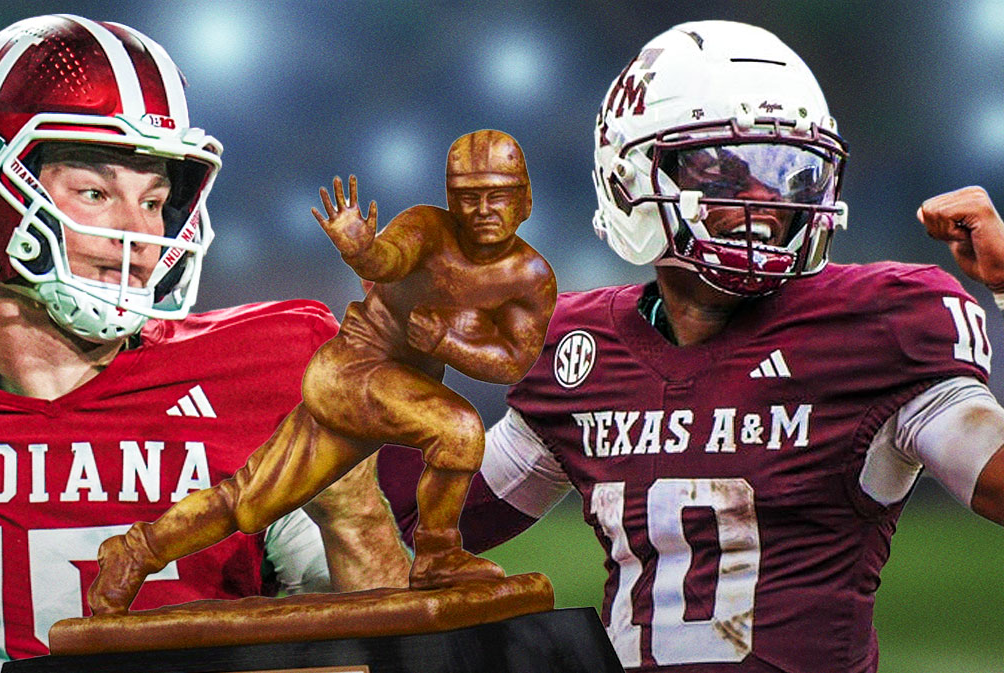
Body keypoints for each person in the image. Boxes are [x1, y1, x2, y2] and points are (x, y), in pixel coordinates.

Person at [380, 20, 1004, 673]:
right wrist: (384, 361)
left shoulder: (878, 325)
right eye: (727, 169)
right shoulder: (578, 350)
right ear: (630, 177)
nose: (767, 202)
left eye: (791, 171)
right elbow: (425, 527)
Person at [0, 14, 409, 672]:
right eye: (95, 192)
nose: (141, 235)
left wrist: (356, 514)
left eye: (154, 201)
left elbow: (370, 654)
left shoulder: (264, 378)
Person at [88, 130, 558, 613]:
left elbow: (513, 361)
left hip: (389, 392)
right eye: (468, 196)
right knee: (457, 428)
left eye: (497, 195)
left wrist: (446, 342)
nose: (482, 209)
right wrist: (360, 250)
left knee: (248, 502)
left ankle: (136, 552)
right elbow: (388, 261)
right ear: (449, 200)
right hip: (353, 372)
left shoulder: (530, 276)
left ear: (524, 200)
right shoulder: (427, 228)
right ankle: (437, 553)